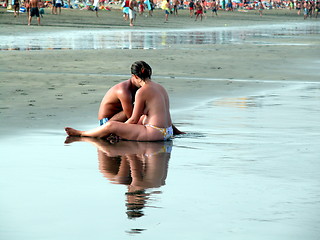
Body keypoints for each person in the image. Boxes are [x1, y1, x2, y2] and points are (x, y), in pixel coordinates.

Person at [65, 61, 175, 141]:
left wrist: (117, 131)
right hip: (167, 132)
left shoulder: (142, 92)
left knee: (111, 126)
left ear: (135, 76)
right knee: (142, 117)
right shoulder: (161, 88)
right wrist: (176, 131)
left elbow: (132, 120)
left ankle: (81, 133)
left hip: (155, 133)